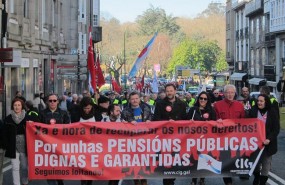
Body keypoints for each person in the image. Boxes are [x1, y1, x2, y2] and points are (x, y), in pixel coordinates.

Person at [153, 83, 187, 185]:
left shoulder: (182, 104)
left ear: (175, 91)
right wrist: (167, 122)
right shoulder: (159, 103)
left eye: (171, 91)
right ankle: (167, 180)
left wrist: (176, 122)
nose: (169, 93)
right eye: (167, 91)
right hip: (165, 137)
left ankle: (171, 178)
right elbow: (156, 119)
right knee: (166, 159)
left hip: (177, 137)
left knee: (175, 158)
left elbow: (185, 119)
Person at [213, 84, 245, 185]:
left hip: (236, 138)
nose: (230, 94)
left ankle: (238, 173)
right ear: (224, 93)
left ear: (235, 93)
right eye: (228, 92)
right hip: (223, 139)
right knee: (225, 159)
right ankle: (227, 181)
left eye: (232, 92)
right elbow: (213, 121)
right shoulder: (217, 105)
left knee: (236, 158)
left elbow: (244, 122)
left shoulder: (240, 105)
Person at [121, 91, 151, 185]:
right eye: (132, 99)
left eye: (136, 98)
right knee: (134, 163)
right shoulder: (125, 111)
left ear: (139, 99)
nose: (135, 100)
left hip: (144, 141)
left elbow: (152, 118)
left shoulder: (146, 108)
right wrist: (124, 123)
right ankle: (136, 182)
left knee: (144, 163)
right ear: (129, 100)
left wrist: (150, 120)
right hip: (131, 142)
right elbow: (121, 125)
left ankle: (144, 181)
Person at [248, 94, 280, 185]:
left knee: (266, 166)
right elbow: (247, 123)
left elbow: (276, 129)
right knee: (256, 165)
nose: (259, 102)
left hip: (268, 144)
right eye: (258, 101)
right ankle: (257, 177)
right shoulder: (253, 111)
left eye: (261, 101)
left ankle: (262, 182)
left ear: (266, 102)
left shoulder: (272, 112)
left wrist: (269, 139)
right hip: (255, 143)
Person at [39, 93, 70, 185]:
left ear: (58, 102)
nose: (52, 102)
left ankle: (60, 180)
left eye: (54, 100)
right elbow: (37, 128)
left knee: (59, 165)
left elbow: (68, 127)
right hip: (46, 145)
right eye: (50, 101)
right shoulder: (42, 113)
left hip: (59, 145)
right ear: (47, 102)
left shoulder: (64, 113)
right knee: (49, 167)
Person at [187, 91, 216, 185]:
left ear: (208, 100)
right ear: (198, 99)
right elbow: (185, 122)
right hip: (194, 139)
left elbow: (214, 123)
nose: (202, 100)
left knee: (204, 159)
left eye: (205, 99)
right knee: (194, 159)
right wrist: (189, 121)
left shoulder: (211, 110)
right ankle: (193, 179)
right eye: (201, 98)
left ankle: (202, 178)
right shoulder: (193, 110)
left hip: (206, 139)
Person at [4, 98, 29, 185]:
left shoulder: (27, 118)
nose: (17, 107)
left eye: (19, 105)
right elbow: (4, 133)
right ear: (12, 106)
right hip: (12, 145)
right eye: (15, 105)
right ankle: (16, 183)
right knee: (15, 167)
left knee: (24, 167)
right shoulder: (7, 119)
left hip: (25, 146)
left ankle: (24, 181)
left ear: (22, 106)